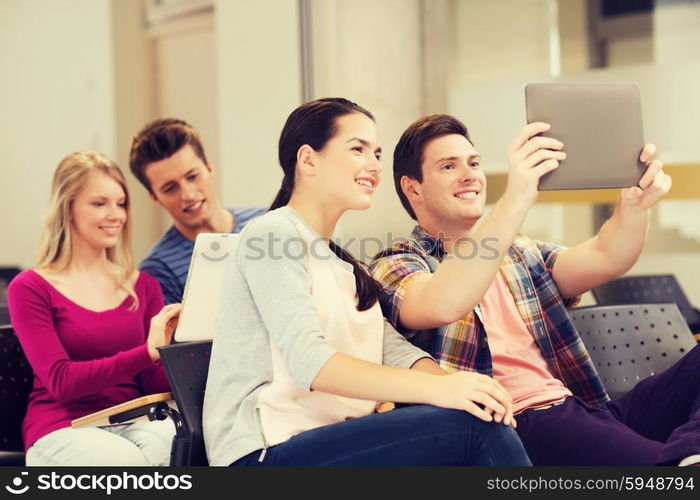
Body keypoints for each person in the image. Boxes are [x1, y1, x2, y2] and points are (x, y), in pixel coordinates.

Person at [202, 98, 531, 467]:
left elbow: (394, 352)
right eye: (358, 149)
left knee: (481, 415)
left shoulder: (342, 263)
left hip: (323, 437)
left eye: (376, 153)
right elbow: (311, 363)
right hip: (263, 450)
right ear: (308, 160)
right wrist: (442, 388)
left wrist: (464, 389)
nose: (374, 166)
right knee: (475, 431)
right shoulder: (272, 234)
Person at [369, 114, 700, 466]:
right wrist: (517, 195)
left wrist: (634, 205)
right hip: (515, 425)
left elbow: (607, 256)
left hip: (581, 409)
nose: (470, 175)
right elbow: (441, 303)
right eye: (448, 166)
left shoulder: (518, 251)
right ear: (413, 188)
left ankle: (683, 454)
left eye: (474, 163)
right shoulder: (397, 261)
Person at [7, 152, 181, 466]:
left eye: (121, 203)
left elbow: (152, 382)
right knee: (125, 462)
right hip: (62, 427)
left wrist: (179, 354)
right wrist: (147, 352)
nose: (115, 214)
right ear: (68, 208)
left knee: (176, 444)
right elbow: (61, 382)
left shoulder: (143, 286)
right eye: (100, 203)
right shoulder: (30, 287)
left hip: (132, 419)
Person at [129, 118, 265, 304]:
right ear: (154, 197)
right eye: (170, 188)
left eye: (192, 176)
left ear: (209, 167)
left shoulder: (267, 221)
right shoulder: (157, 271)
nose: (188, 194)